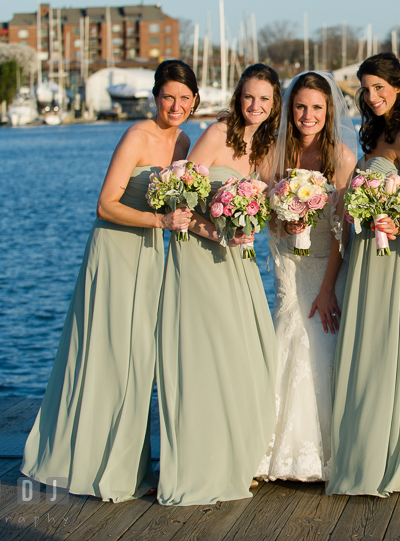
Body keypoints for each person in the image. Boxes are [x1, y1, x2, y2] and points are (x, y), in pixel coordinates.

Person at [22, 60, 195, 502]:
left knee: (140, 360)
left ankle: (129, 463)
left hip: (153, 255)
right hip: (117, 251)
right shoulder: (136, 136)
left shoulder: (185, 141)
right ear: (155, 97)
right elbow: (105, 204)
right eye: (168, 96)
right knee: (113, 355)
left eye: (184, 97)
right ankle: (99, 466)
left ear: (195, 101)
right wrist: (159, 218)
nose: (176, 105)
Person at [155, 63, 280, 506]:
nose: (256, 106)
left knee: (243, 355)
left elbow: (257, 203)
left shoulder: (263, 145)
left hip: (237, 260)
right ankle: (200, 463)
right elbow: (178, 194)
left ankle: (236, 455)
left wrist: (252, 224)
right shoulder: (217, 133)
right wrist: (211, 229)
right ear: (237, 96)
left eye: (265, 99)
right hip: (200, 256)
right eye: (249, 97)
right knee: (206, 356)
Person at [327, 52, 400, 497]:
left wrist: (397, 223)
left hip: (398, 259)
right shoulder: (376, 134)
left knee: (391, 351)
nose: (371, 97)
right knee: (367, 349)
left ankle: (390, 462)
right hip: (368, 254)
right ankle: (360, 454)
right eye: (365, 90)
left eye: (379, 88)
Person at [256, 71, 357, 482]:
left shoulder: (342, 158)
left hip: (324, 263)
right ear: (289, 109)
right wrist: (286, 223)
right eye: (300, 106)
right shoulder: (274, 156)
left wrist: (329, 287)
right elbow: (265, 217)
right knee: (286, 332)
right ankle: (272, 449)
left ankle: (323, 452)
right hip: (287, 259)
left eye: (317, 107)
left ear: (329, 109)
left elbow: (343, 229)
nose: (307, 115)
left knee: (319, 338)